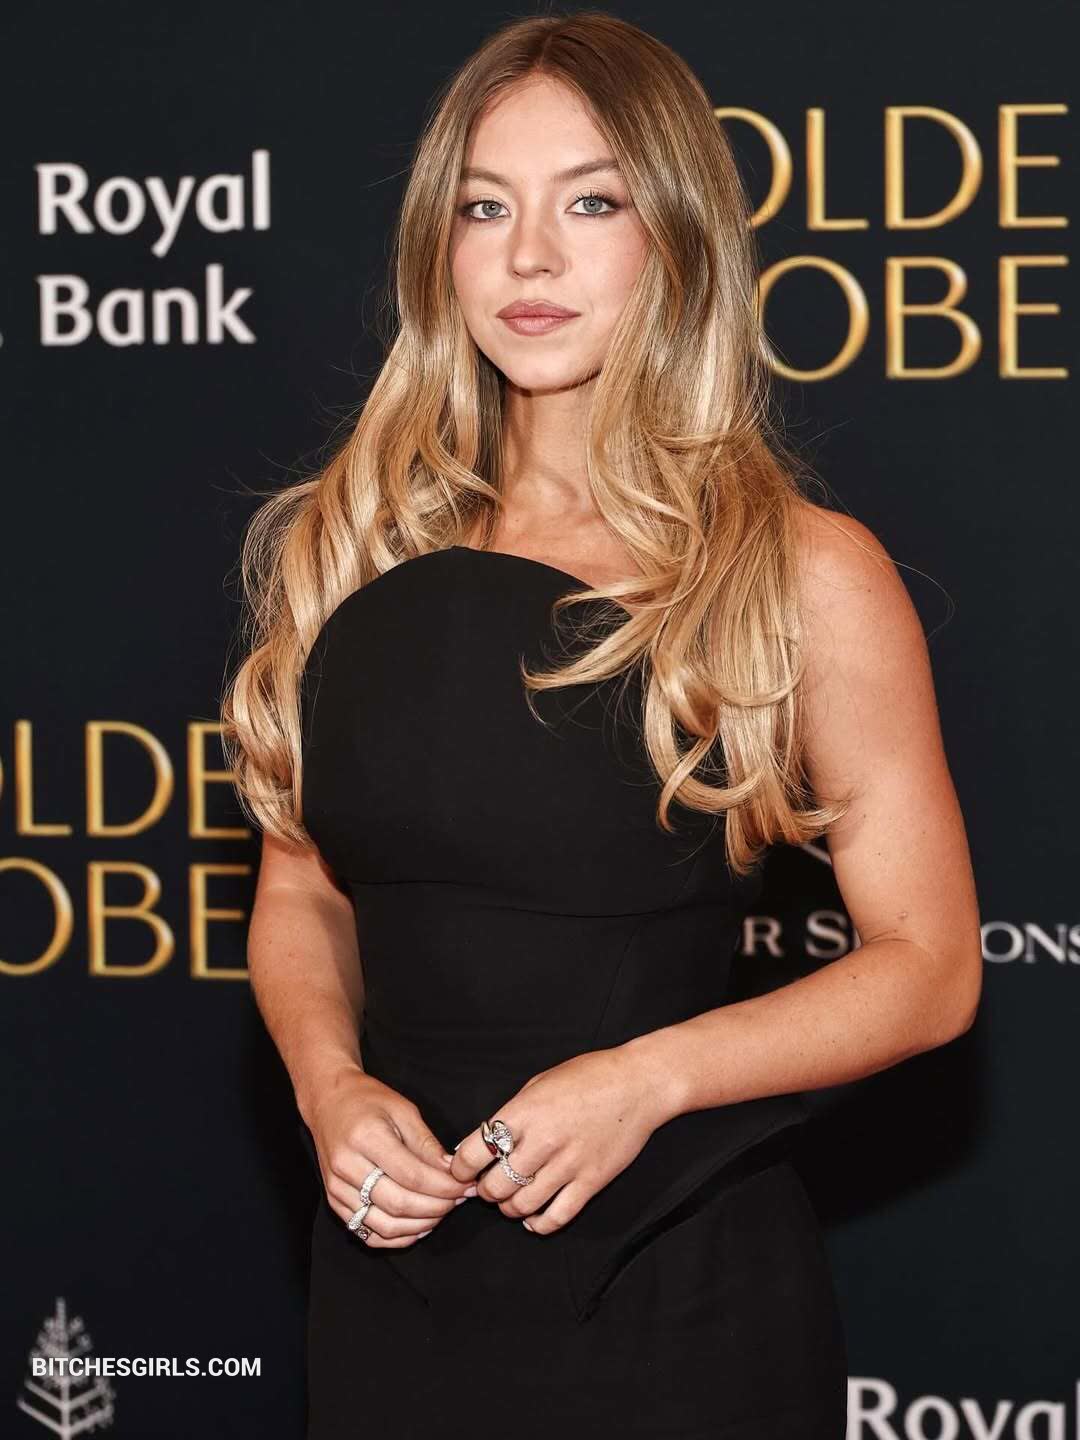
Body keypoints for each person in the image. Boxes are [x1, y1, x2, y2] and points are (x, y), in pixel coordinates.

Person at [221, 12, 982, 1438]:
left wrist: (648, 1082)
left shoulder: (793, 570)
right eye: (484, 209)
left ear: (678, 238)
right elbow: (303, 898)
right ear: (436, 250)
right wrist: (330, 1090)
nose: (529, 257)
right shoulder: (353, 548)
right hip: (389, 1284)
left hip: (673, 1289)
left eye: (591, 203)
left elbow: (930, 969)